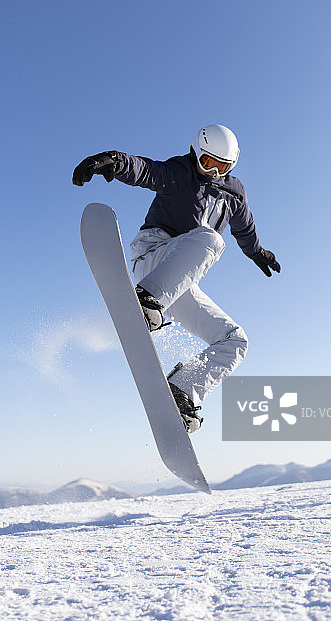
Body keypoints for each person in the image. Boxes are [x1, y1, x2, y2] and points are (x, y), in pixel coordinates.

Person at [72, 124, 280, 433]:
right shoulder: (182, 172)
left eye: (222, 166)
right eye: (207, 162)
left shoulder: (235, 192)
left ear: (232, 165)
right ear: (196, 154)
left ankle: (182, 390)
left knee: (235, 340)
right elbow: (148, 171)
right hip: (154, 258)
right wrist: (115, 161)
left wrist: (256, 252)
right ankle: (144, 301)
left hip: (174, 286)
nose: (212, 171)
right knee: (211, 240)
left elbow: (244, 227)